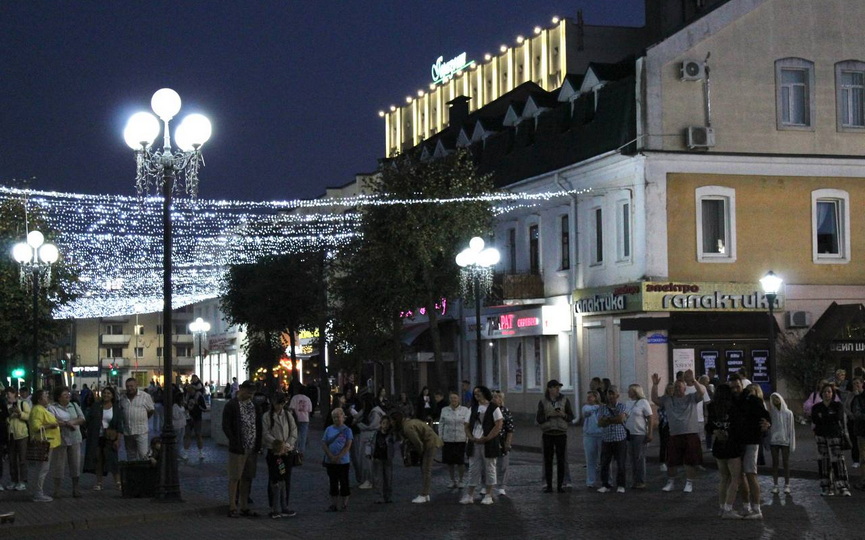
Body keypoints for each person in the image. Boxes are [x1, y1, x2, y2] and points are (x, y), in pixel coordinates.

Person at [651, 370, 705, 493]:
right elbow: (655, 399)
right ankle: (670, 482)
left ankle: (689, 483)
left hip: (690, 433)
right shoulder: (668, 399)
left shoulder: (692, 398)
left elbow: (701, 391)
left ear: (685, 388)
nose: (676, 389)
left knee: (689, 461)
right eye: (675, 387)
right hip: (674, 434)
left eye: (679, 387)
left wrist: (694, 381)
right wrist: (655, 385)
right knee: (672, 461)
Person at [729, 375, 771, 519]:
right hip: (736, 442)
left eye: (737, 387)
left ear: (742, 386)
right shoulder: (731, 401)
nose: (735, 389)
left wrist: (767, 424)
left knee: (751, 474)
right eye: (733, 387)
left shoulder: (753, 400)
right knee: (739, 475)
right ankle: (746, 506)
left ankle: (757, 509)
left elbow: (766, 415)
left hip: (751, 441)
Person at [222, 380, 263, 518]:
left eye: (253, 393)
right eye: (249, 392)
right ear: (242, 390)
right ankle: (232, 506)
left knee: (247, 477)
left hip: (252, 447)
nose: (251, 395)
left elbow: (258, 424)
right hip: (238, 447)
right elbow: (226, 425)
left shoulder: (255, 405)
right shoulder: (232, 405)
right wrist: (234, 441)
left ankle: (244, 505)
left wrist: (258, 443)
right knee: (235, 477)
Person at [705, 383, 744, 519]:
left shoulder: (712, 407)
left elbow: (708, 427)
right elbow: (739, 427)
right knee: (735, 478)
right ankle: (728, 508)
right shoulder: (733, 408)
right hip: (732, 445)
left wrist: (716, 430)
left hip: (718, 445)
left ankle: (722, 508)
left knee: (723, 478)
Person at [461, 386, 503, 505]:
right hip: (475, 442)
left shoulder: (493, 407)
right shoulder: (473, 408)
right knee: (473, 468)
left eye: (479, 392)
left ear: (484, 393)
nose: (476, 395)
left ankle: (488, 494)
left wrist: (488, 437)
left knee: (490, 468)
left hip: (488, 443)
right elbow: (466, 425)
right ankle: (470, 494)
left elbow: (498, 424)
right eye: (475, 393)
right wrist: (471, 437)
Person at [391, 409, 443, 503]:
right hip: (429, 442)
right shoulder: (408, 423)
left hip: (429, 443)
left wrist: (421, 453)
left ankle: (424, 494)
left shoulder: (407, 427)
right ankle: (425, 494)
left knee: (426, 469)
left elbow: (418, 443)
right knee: (425, 469)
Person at [811, 382, 852, 497]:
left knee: (838, 461)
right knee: (823, 461)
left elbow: (837, 417)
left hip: (834, 436)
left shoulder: (837, 405)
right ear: (821, 393)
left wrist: (823, 417)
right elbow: (815, 420)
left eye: (829, 392)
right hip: (821, 436)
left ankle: (842, 486)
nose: (827, 394)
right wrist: (827, 417)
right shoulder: (816, 407)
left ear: (832, 393)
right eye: (824, 392)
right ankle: (826, 487)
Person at [262, 393, 298, 519]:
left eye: (282, 403)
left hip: (286, 453)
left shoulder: (288, 415)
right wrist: (277, 444)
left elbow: (294, 431)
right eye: (278, 403)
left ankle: (284, 505)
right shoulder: (267, 416)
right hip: (274, 453)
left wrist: (287, 445)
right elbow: (265, 433)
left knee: (285, 477)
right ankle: (274, 507)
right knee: (275, 478)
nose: (279, 406)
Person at [536, 379, 574, 493]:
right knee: (548, 460)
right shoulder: (543, 401)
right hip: (547, 433)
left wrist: (563, 415)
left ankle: (560, 485)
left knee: (561, 460)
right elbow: (539, 419)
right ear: (549, 389)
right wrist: (548, 415)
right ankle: (548, 485)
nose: (558, 389)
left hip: (561, 433)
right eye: (555, 387)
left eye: (559, 387)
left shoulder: (564, 400)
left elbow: (571, 417)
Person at [47, 386, 86, 498]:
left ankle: (75, 488)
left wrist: (71, 422)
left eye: (68, 394)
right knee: (58, 465)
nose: (68, 396)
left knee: (75, 464)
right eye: (65, 395)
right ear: (59, 397)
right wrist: (67, 424)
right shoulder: (52, 407)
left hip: (74, 438)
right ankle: (57, 490)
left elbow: (82, 418)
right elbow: (52, 421)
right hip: (60, 439)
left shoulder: (74, 405)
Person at [83, 386, 123, 491]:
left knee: (113, 460)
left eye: (108, 393)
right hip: (97, 437)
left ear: (113, 395)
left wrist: (118, 439)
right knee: (98, 459)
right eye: (104, 393)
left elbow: (119, 425)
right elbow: (89, 420)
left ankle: (118, 482)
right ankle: (99, 482)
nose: (106, 395)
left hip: (110, 437)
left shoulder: (116, 408)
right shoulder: (96, 406)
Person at [28, 389, 61, 502]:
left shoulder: (41, 409)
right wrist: (50, 426)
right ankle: (38, 492)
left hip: (48, 442)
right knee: (43, 468)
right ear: (39, 399)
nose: (47, 397)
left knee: (42, 468)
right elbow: (36, 427)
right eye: (45, 396)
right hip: (45, 442)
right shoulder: (38, 410)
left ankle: (38, 491)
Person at [596, 385, 628, 493]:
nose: (610, 396)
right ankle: (605, 484)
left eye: (612, 393)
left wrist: (608, 420)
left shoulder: (622, 406)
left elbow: (621, 419)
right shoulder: (602, 408)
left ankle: (621, 485)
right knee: (604, 463)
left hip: (620, 438)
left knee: (621, 463)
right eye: (609, 394)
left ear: (617, 395)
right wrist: (613, 419)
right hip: (607, 439)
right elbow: (600, 423)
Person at [322, 407, 353, 512]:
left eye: (338, 417)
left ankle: (344, 504)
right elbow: (324, 443)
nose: (336, 419)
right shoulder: (328, 429)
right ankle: (334, 504)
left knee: (344, 482)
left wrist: (339, 456)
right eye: (334, 417)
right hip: (330, 461)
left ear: (343, 417)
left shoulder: (347, 430)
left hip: (343, 461)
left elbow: (348, 445)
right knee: (333, 482)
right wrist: (330, 456)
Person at [624, 383, 653, 489]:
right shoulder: (627, 403)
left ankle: (640, 480)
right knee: (632, 458)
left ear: (636, 391)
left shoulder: (643, 402)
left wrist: (650, 432)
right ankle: (634, 480)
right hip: (629, 433)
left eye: (630, 390)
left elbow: (650, 417)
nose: (628, 392)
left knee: (639, 457)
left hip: (639, 433)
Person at [439, 390, 470, 489]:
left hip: (460, 439)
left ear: (459, 399)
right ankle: (452, 480)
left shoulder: (465, 410)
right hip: (448, 439)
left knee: (460, 462)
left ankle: (461, 480)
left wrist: (468, 437)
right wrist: (440, 437)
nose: (454, 400)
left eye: (455, 398)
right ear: (449, 399)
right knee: (450, 462)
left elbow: (467, 425)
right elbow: (441, 424)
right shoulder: (444, 410)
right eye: (452, 398)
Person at [119, 378, 154, 460]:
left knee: (143, 455)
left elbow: (151, 410)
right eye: (127, 386)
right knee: (131, 455)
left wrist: (144, 419)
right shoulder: (122, 398)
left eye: (131, 386)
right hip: (128, 432)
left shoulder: (145, 396)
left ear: (136, 385)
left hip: (141, 431)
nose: (129, 388)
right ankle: (132, 472)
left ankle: (143, 472)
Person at [768, 392, 796, 495]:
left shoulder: (788, 413)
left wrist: (791, 443)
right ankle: (775, 485)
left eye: (777, 398)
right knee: (775, 463)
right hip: (774, 441)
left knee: (786, 463)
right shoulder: (772, 414)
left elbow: (791, 429)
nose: (776, 401)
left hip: (785, 441)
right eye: (773, 399)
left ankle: (787, 484)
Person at [355, 392, 383, 489]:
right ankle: (369, 480)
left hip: (369, 439)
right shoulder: (370, 411)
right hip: (367, 438)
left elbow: (372, 426)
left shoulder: (375, 412)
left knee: (367, 461)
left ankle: (369, 480)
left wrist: (359, 424)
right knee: (366, 460)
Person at [5, 387, 30, 491]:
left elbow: (29, 416)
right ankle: (13, 480)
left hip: (22, 434)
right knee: (12, 459)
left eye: (9, 394)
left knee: (22, 459)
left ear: (14, 394)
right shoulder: (6, 406)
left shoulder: (22, 404)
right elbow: (4, 419)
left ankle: (23, 481)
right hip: (10, 435)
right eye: (6, 394)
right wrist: (9, 415)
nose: (7, 396)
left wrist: (19, 413)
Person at [492, 390, 514, 496]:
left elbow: (510, 428)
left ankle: (502, 486)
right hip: (490, 440)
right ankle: (487, 485)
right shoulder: (488, 411)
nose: (498, 400)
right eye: (496, 397)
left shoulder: (505, 411)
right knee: (489, 464)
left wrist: (507, 443)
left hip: (502, 439)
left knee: (503, 464)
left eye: (500, 398)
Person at [371, 415, 397, 504]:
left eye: (387, 424)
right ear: (381, 424)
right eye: (384, 423)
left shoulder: (391, 435)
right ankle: (379, 497)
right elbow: (371, 443)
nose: (385, 425)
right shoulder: (376, 433)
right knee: (378, 479)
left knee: (388, 479)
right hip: (378, 458)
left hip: (387, 458)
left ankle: (387, 496)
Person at [582, 390, 604, 489]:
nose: (588, 398)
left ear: (596, 397)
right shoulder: (586, 407)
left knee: (604, 459)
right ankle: (590, 481)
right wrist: (597, 407)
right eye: (588, 396)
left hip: (601, 434)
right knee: (590, 459)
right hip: (589, 435)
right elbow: (586, 412)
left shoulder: (602, 408)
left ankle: (607, 480)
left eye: (591, 396)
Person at [183, 383, 208, 460]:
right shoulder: (186, 397)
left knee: (198, 435)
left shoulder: (199, 397)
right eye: (188, 389)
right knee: (188, 435)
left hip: (197, 418)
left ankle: (200, 453)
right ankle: (187, 453)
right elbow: (184, 407)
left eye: (190, 389)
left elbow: (204, 408)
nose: (189, 391)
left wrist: (197, 405)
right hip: (189, 418)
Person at [288, 387, 313, 455]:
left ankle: (294, 448)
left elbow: (291, 408)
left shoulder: (294, 398)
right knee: (303, 435)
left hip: (296, 419)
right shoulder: (308, 399)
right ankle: (301, 451)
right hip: (305, 419)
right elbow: (309, 410)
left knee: (295, 434)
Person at [657, 383, 673, 473]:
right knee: (664, 443)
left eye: (672, 389)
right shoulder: (664, 398)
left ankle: (671, 460)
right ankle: (662, 462)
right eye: (669, 389)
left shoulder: (676, 398)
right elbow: (660, 410)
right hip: (665, 423)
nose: (671, 391)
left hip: (673, 423)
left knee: (672, 443)